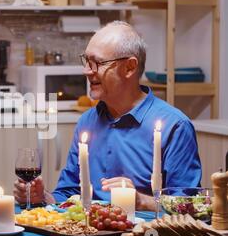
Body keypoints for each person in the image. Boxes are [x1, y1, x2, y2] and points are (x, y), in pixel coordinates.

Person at [14, 21, 202, 211]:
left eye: (97, 63)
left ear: (129, 67)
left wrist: (141, 201)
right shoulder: (87, 121)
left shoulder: (175, 126)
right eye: (86, 61)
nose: (87, 70)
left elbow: (188, 207)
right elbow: (69, 192)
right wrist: (43, 197)